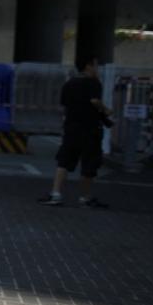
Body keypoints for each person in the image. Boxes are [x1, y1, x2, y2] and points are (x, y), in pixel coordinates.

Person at [39, 56, 112, 208]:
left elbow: (64, 105)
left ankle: (55, 194)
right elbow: (94, 101)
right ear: (88, 66)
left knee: (64, 161)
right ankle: (85, 197)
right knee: (89, 163)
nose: (97, 69)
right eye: (95, 66)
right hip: (90, 129)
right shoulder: (93, 83)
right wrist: (106, 110)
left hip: (71, 128)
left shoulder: (69, 83)